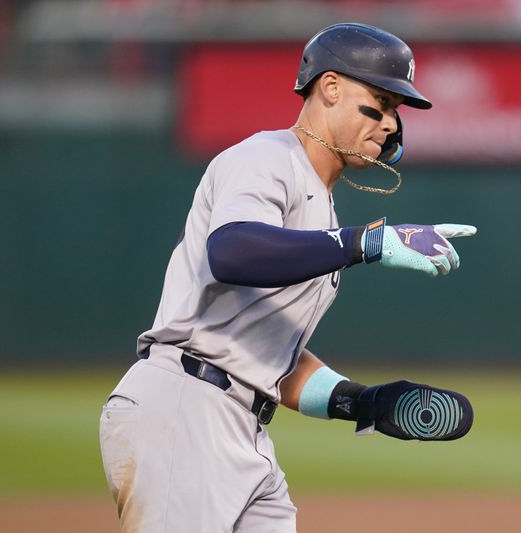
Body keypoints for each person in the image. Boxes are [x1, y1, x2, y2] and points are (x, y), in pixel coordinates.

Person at [99, 22, 477, 533]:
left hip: (242, 427)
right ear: (331, 87)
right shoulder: (266, 158)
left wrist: (361, 401)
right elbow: (231, 252)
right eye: (381, 102)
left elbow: (268, 357)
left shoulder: (319, 206)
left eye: (395, 111)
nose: (390, 124)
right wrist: (365, 243)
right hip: (185, 410)